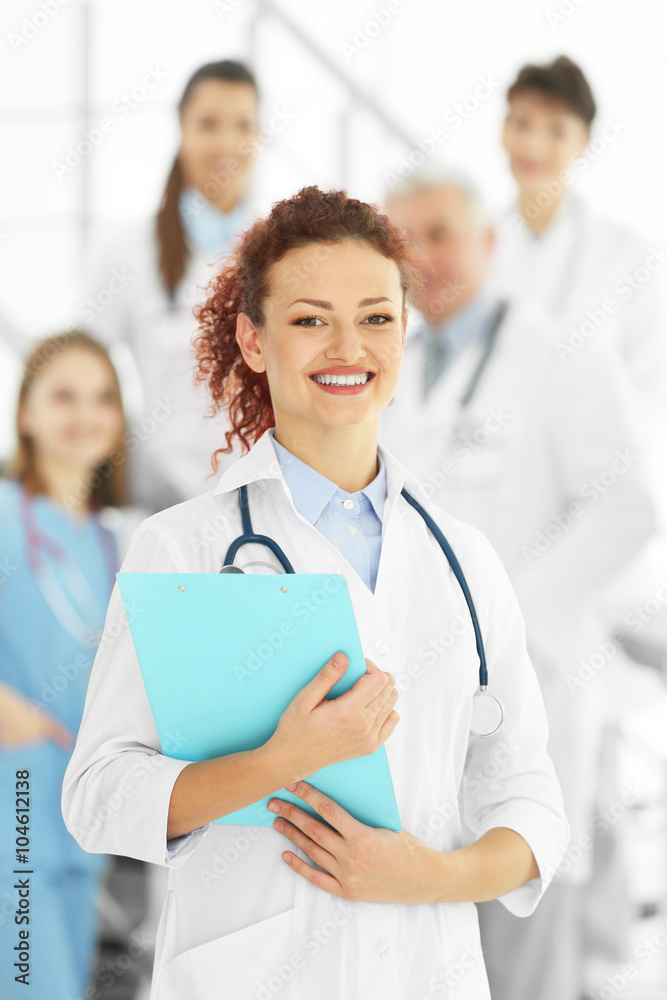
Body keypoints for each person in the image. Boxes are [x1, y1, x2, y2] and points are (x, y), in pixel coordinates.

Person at [62, 186, 569, 1000]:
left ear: (404, 328)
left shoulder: (464, 561)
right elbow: (96, 797)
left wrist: (423, 876)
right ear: (252, 341)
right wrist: (281, 761)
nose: (347, 346)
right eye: (308, 319)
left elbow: (532, 803)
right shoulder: (183, 547)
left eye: (374, 317)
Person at [380, 172, 659, 1000]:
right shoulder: (388, 364)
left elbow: (629, 507)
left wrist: (499, 622)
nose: (422, 257)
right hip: (415, 706)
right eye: (402, 241)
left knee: (524, 952)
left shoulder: (561, 355)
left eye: (441, 233)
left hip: (529, 685)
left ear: (489, 243)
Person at [0, 331, 126, 999]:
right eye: (63, 396)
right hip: (14, 800)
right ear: (25, 413)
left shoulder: (112, 540)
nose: (86, 414)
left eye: (103, 398)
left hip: (84, 809)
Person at [84, 59, 263, 513]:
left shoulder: (284, 254)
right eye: (207, 123)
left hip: (262, 497)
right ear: (181, 130)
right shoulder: (129, 252)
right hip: (159, 500)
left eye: (243, 124)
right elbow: (84, 369)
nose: (226, 141)